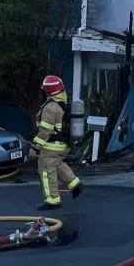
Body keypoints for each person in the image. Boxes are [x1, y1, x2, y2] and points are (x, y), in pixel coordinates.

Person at [29, 75, 82, 211]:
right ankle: (75, 184)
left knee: (46, 170)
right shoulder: (63, 102)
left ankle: (52, 200)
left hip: (51, 146)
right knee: (58, 165)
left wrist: (35, 147)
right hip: (62, 145)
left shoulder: (50, 107)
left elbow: (45, 131)